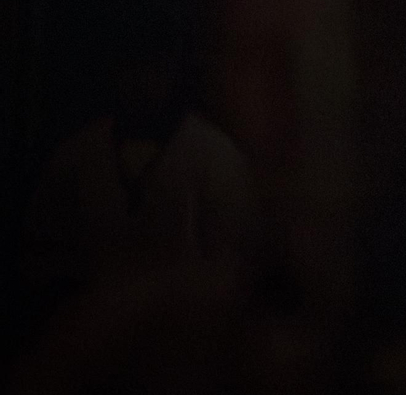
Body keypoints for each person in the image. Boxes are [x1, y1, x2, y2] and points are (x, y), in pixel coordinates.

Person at [22, 48, 258, 304]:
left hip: (186, 328)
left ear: (172, 74)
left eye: (153, 69)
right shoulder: (79, 153)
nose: (140, 81)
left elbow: (232, 260)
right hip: (93, 328)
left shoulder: (213, 154)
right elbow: (47, 254)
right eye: (130, 68)